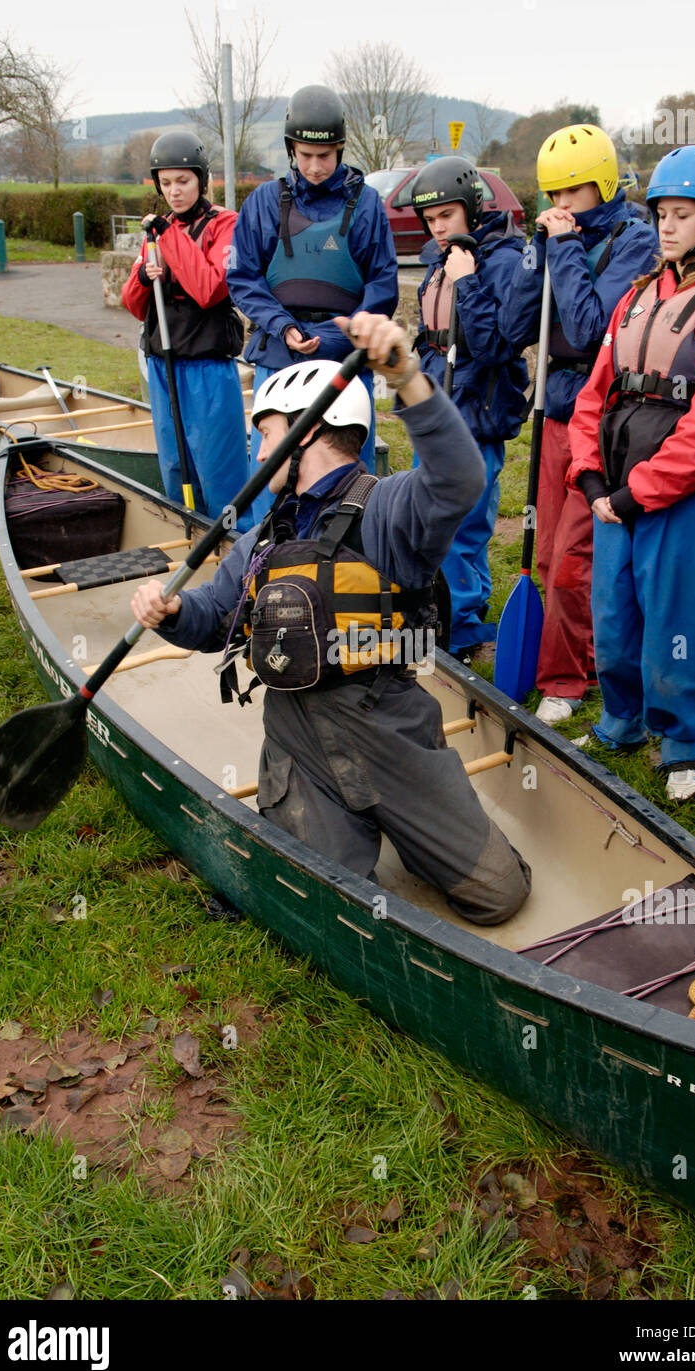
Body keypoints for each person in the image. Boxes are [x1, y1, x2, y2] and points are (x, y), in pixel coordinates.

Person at [130, 312, 531, 926]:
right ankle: (338, 825)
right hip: (298, 735)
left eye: (267, 436)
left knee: (500, 897)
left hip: (388, 727)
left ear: (309, 432)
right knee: (326, 907)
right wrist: (174, 609)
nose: (260, 454)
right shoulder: (265, 534)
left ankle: (410, 827)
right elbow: (213, 620)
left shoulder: (390, 507)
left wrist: (407, 376)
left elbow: (459, 480)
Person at [566, 145, 695, 801]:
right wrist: (592, 479)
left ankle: (683, 742)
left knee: (674, 629)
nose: (669, 226)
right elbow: (595, 392)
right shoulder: (638, 294)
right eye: (662, 214)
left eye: (685, 214)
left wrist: (637, 493)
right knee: (615, 622)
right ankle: (622, 721)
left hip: (683, 501)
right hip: (618, 496)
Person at [514, 124, 659, 724]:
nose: (560, 207)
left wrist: (566, 250)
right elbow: (522, 325)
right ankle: (592, 653)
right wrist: (536, 257)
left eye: (572, 192)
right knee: (549, 556)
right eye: (552, 195)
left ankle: (565, 682)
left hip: (600, 414)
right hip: (553, 405)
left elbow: (590, 324)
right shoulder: (551, 237)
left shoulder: (635, 239)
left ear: (602, 184)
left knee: (575, 558)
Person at [226, 84, 398, 516]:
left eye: (325, 156)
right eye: (305, 155)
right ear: (291, 151)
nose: (316, 166)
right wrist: (285, 327)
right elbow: (243, 277)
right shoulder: (264, 202)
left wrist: (333, 338)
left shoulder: (368, 205)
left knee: (343, 484)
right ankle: (263, 562)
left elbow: (383, 285)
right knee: (271, 480)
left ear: (340, 149)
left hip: (342, 359)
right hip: (279, 354)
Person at [409, 156, 530, 660]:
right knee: (431, 519)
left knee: (465, 523)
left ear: (472, 208)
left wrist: (467, 281)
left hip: (476, 414)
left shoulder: (501, 259)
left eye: (446, 216)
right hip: (437, 407)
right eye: (430, 219)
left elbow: (496, 345)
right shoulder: (441, 259)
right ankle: (436, 608)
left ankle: (462, 623)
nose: (438, 228)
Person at [121, 131, 249, 520]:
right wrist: (144, 275)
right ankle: (184, 528)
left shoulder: (225, 224)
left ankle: (233, 540)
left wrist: (168, 238)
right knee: (175, 463)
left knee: (218, 465)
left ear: (201, 180)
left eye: (183, 181)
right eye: (166, 183)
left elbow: (210, 289)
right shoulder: (156, 233)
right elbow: (133, 303)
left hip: (207, 365)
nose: (174, 192)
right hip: (164, 362)